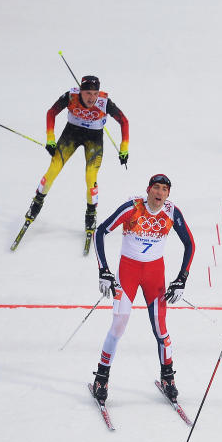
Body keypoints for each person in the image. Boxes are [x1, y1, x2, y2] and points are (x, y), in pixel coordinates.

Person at [90, 173, 195, 405]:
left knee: (161, 329)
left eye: (164, 190)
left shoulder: (171, 212)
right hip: (128, 272)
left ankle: (168, 377)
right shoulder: (132, 208)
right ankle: (101, 377)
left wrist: (181, 279)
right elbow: (100, 232)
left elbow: (190, 244)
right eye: (156, 188)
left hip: (154, 275)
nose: (159, 193)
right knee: (119, 325)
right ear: (148, 190)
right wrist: (103, 271)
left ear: (168, 194)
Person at [20, 75, 130, 246]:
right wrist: (50, 138)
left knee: (90, 177)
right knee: (52, 171)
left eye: (95, 93)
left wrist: (124, 149)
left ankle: (91, 215)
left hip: (94, 138)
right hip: (71, 134)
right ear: (80, 91)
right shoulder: (71, 96)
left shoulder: (104, 102)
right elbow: (51, 112)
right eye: (87, 93)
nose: (91, 98)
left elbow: (124, 121)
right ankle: (36, 204)